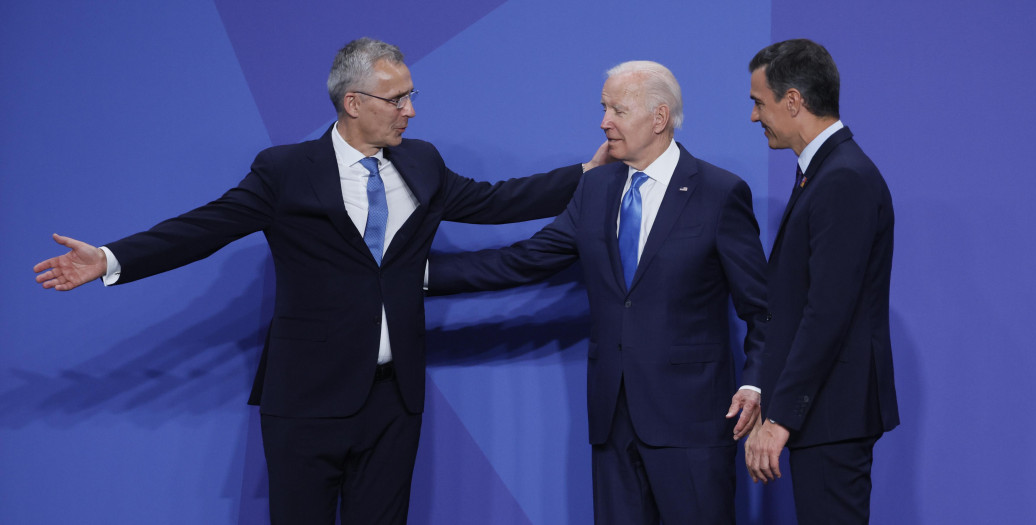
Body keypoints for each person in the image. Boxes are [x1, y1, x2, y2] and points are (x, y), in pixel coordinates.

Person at [33, 37, 607, 525]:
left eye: (411, 95)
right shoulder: (285, 171)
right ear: (353, 102)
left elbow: (495, 200)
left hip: (394, 397)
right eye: (397, 98)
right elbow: (204, 228)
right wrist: (110, 258)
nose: (410, 109)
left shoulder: (422, 162)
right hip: (306, 399)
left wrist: (585, 174)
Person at [427, 60, 769, 525]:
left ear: (659, 118)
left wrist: (754, 381)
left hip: (691, 422)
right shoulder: (596, 188)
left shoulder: (719, 192)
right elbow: (525, 260)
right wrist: (420, 275)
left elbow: (762, 308)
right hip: (612, 420)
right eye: (604, 107)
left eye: (617, 110)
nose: (603, 121)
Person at [742, 38, 900, 523]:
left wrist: (782, 416)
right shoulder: (823, 173)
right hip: (825, 412)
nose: (754, 116)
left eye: (758, 102)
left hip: (833, 412)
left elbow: (827, 310)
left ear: (793, 101)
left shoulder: (843, 179)